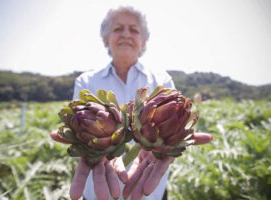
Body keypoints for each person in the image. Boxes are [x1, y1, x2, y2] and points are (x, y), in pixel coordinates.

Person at [51, 6, 213, 200]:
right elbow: (78, 128)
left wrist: (173, 139)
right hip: (97, 191)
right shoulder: (86, 82)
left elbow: (178, 123)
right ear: (106, 39)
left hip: (149, 191)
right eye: (118, 28)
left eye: (134, 30)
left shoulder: (162, 80)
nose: (126, 34)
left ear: (143, 41)